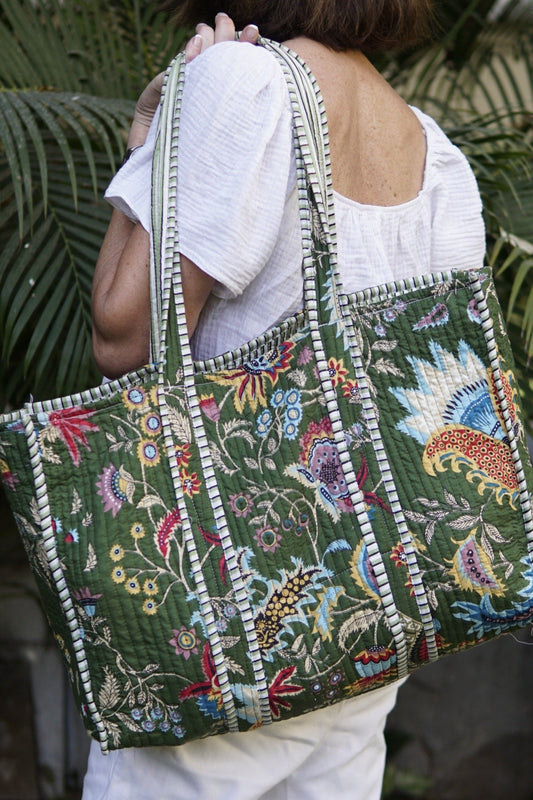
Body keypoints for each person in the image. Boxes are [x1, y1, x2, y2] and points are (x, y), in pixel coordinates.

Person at [88, 3, 486, 798]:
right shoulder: (430, 148)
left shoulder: (244, 79)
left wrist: (152, 144)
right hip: (369, 619)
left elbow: (124, 334)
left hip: (233, 605)